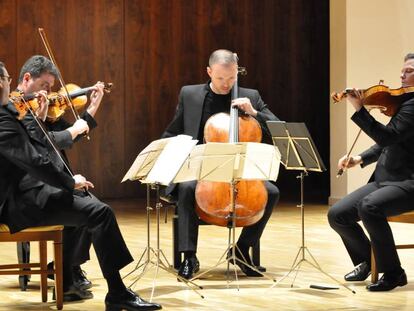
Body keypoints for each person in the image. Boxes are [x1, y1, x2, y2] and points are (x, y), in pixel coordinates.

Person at [0, 61, 161, 310]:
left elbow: (39, 145)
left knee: (91, 206)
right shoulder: (4, 119)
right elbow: (34, 161)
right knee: (99, 212)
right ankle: (115, 293)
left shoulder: (10, 113)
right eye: (7, 79)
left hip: (29, 191)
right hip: (17, 201)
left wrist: (41, 117)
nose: (10, 85)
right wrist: (68, 181)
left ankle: (76, 282)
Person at [162, 49, 280, 279]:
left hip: (240, 170)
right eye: (220, 78)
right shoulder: (190, 94)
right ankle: (189, 256)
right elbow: (173, 130)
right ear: (209, 72)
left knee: (271, 192)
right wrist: (167, 153)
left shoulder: (250, 96)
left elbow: (278, 127)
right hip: (200, 168)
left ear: (237, 73)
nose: (226, 84)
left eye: (231, 78)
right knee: (187, 188)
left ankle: (241, 249)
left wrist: (254, 112)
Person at [328, 53, 414, 291]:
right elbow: (391, 141)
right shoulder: (405, 102)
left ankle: (393, 272)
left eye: (408, 71)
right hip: (387, 180)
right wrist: (360, 158)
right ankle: (367, 259)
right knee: (338, 214)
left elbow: (387, 136)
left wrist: (359, 109)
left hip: (408, 182)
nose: (401, 74)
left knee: (370, 206)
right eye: (403, 69)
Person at [15, 55, 101, 290]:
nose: (50, 94)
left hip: (51, 178)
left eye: (51, 88)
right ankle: (68, 269)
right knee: (88, 206)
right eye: (45, 86)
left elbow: (69, 134)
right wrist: (71, 131)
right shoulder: (14, 111)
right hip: (31, 186)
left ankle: (67, 266)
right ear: (26, 78)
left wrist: (92, 107)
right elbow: (47, 141)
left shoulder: (43, 106)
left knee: (88, 201)